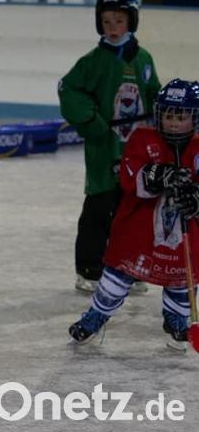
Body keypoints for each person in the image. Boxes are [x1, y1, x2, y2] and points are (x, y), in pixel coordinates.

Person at [68, 79, 199, 352]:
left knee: (180, 281)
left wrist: (195, 198)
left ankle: (177, 322)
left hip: (180, 233)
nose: (173, 123)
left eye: (181, 117)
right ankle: (96, 316)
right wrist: (160, 174)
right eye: (168, 115)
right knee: (115, 279)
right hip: (137, 231)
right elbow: (131, 177)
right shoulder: (143, 138)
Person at [58, 0, 161, 294]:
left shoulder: (144, 58)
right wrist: (92, 121)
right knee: (100, 206)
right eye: (106, 22)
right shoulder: (92, 61)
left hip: (138, 147)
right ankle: (89, 267)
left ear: (131, 21)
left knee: (135, 207)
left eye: (119, 21)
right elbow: (69, 89)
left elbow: (153, 92)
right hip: (106, 145)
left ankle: (131, 265)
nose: (113, 28)